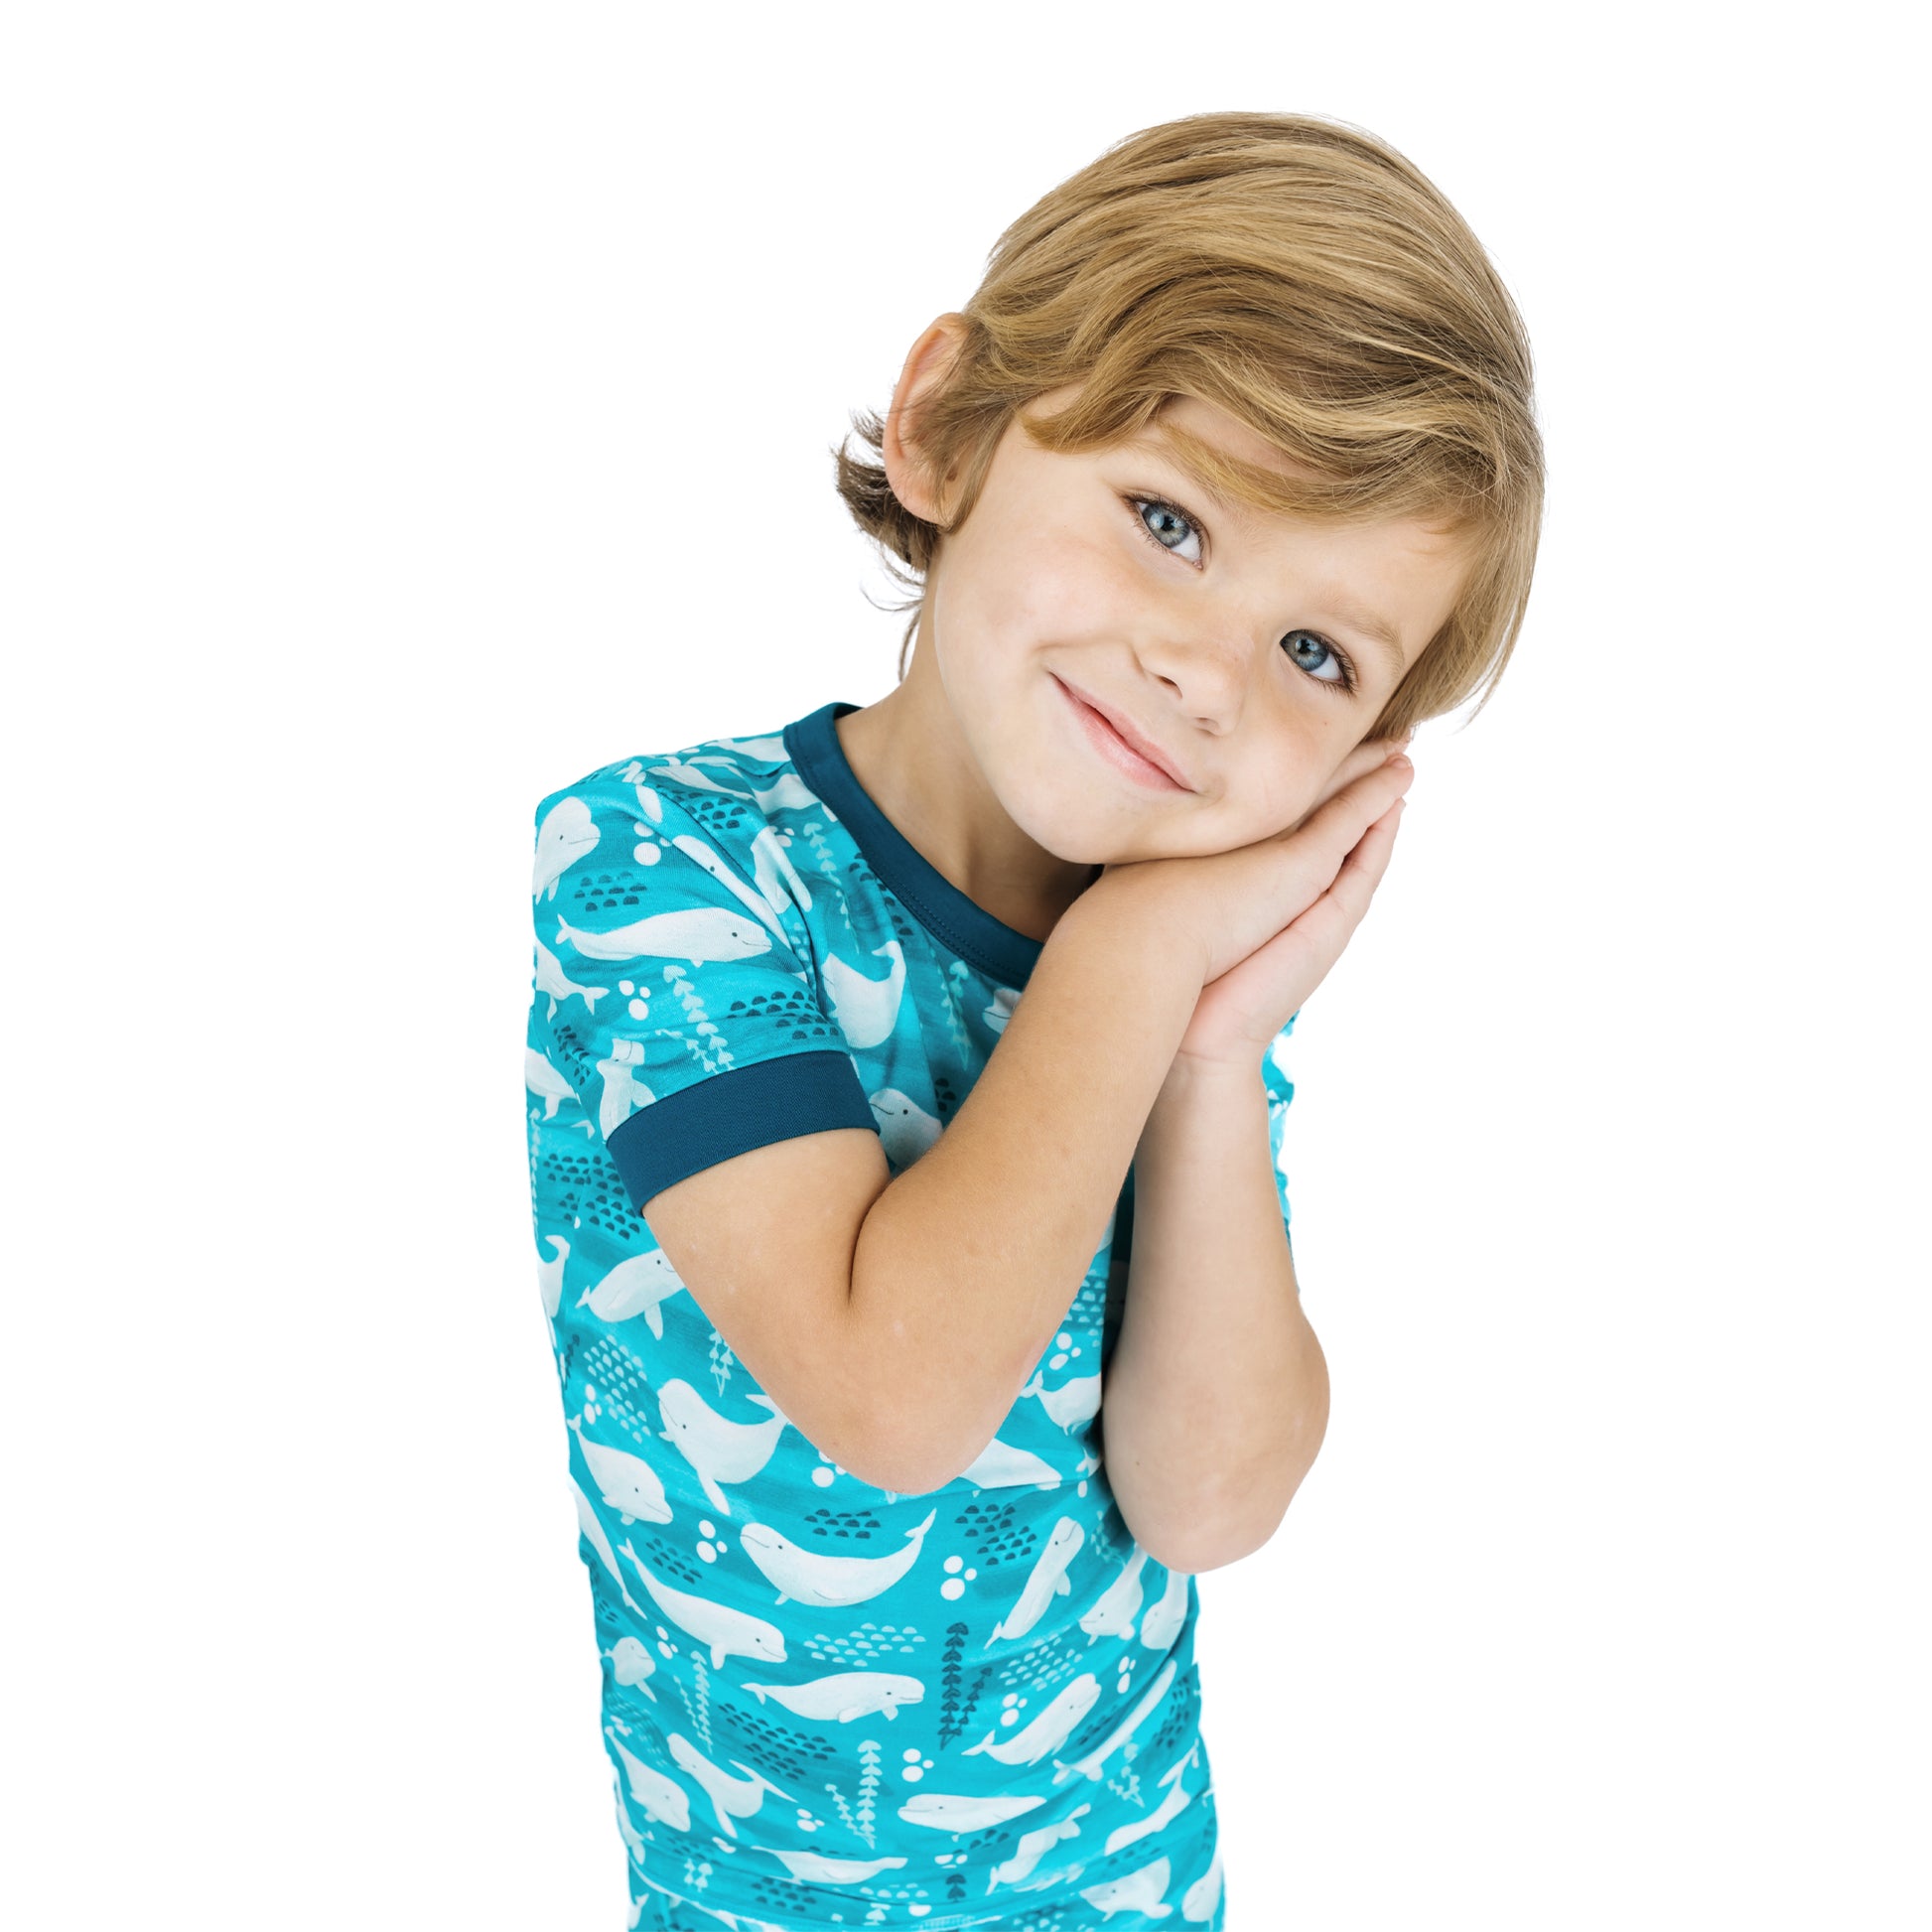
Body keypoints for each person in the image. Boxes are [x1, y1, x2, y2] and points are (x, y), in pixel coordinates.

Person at [524, 109, 1543, 1931]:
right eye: (1168, 520)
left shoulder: (1167, 967)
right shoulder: (664, 863)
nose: (1203, 670)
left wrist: (1215, 1050)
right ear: (946, 429)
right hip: (763, 1894)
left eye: (1319, 655)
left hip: (1133, 1882)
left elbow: (1210, 1496)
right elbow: (893, 1401)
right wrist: (1130, 977)